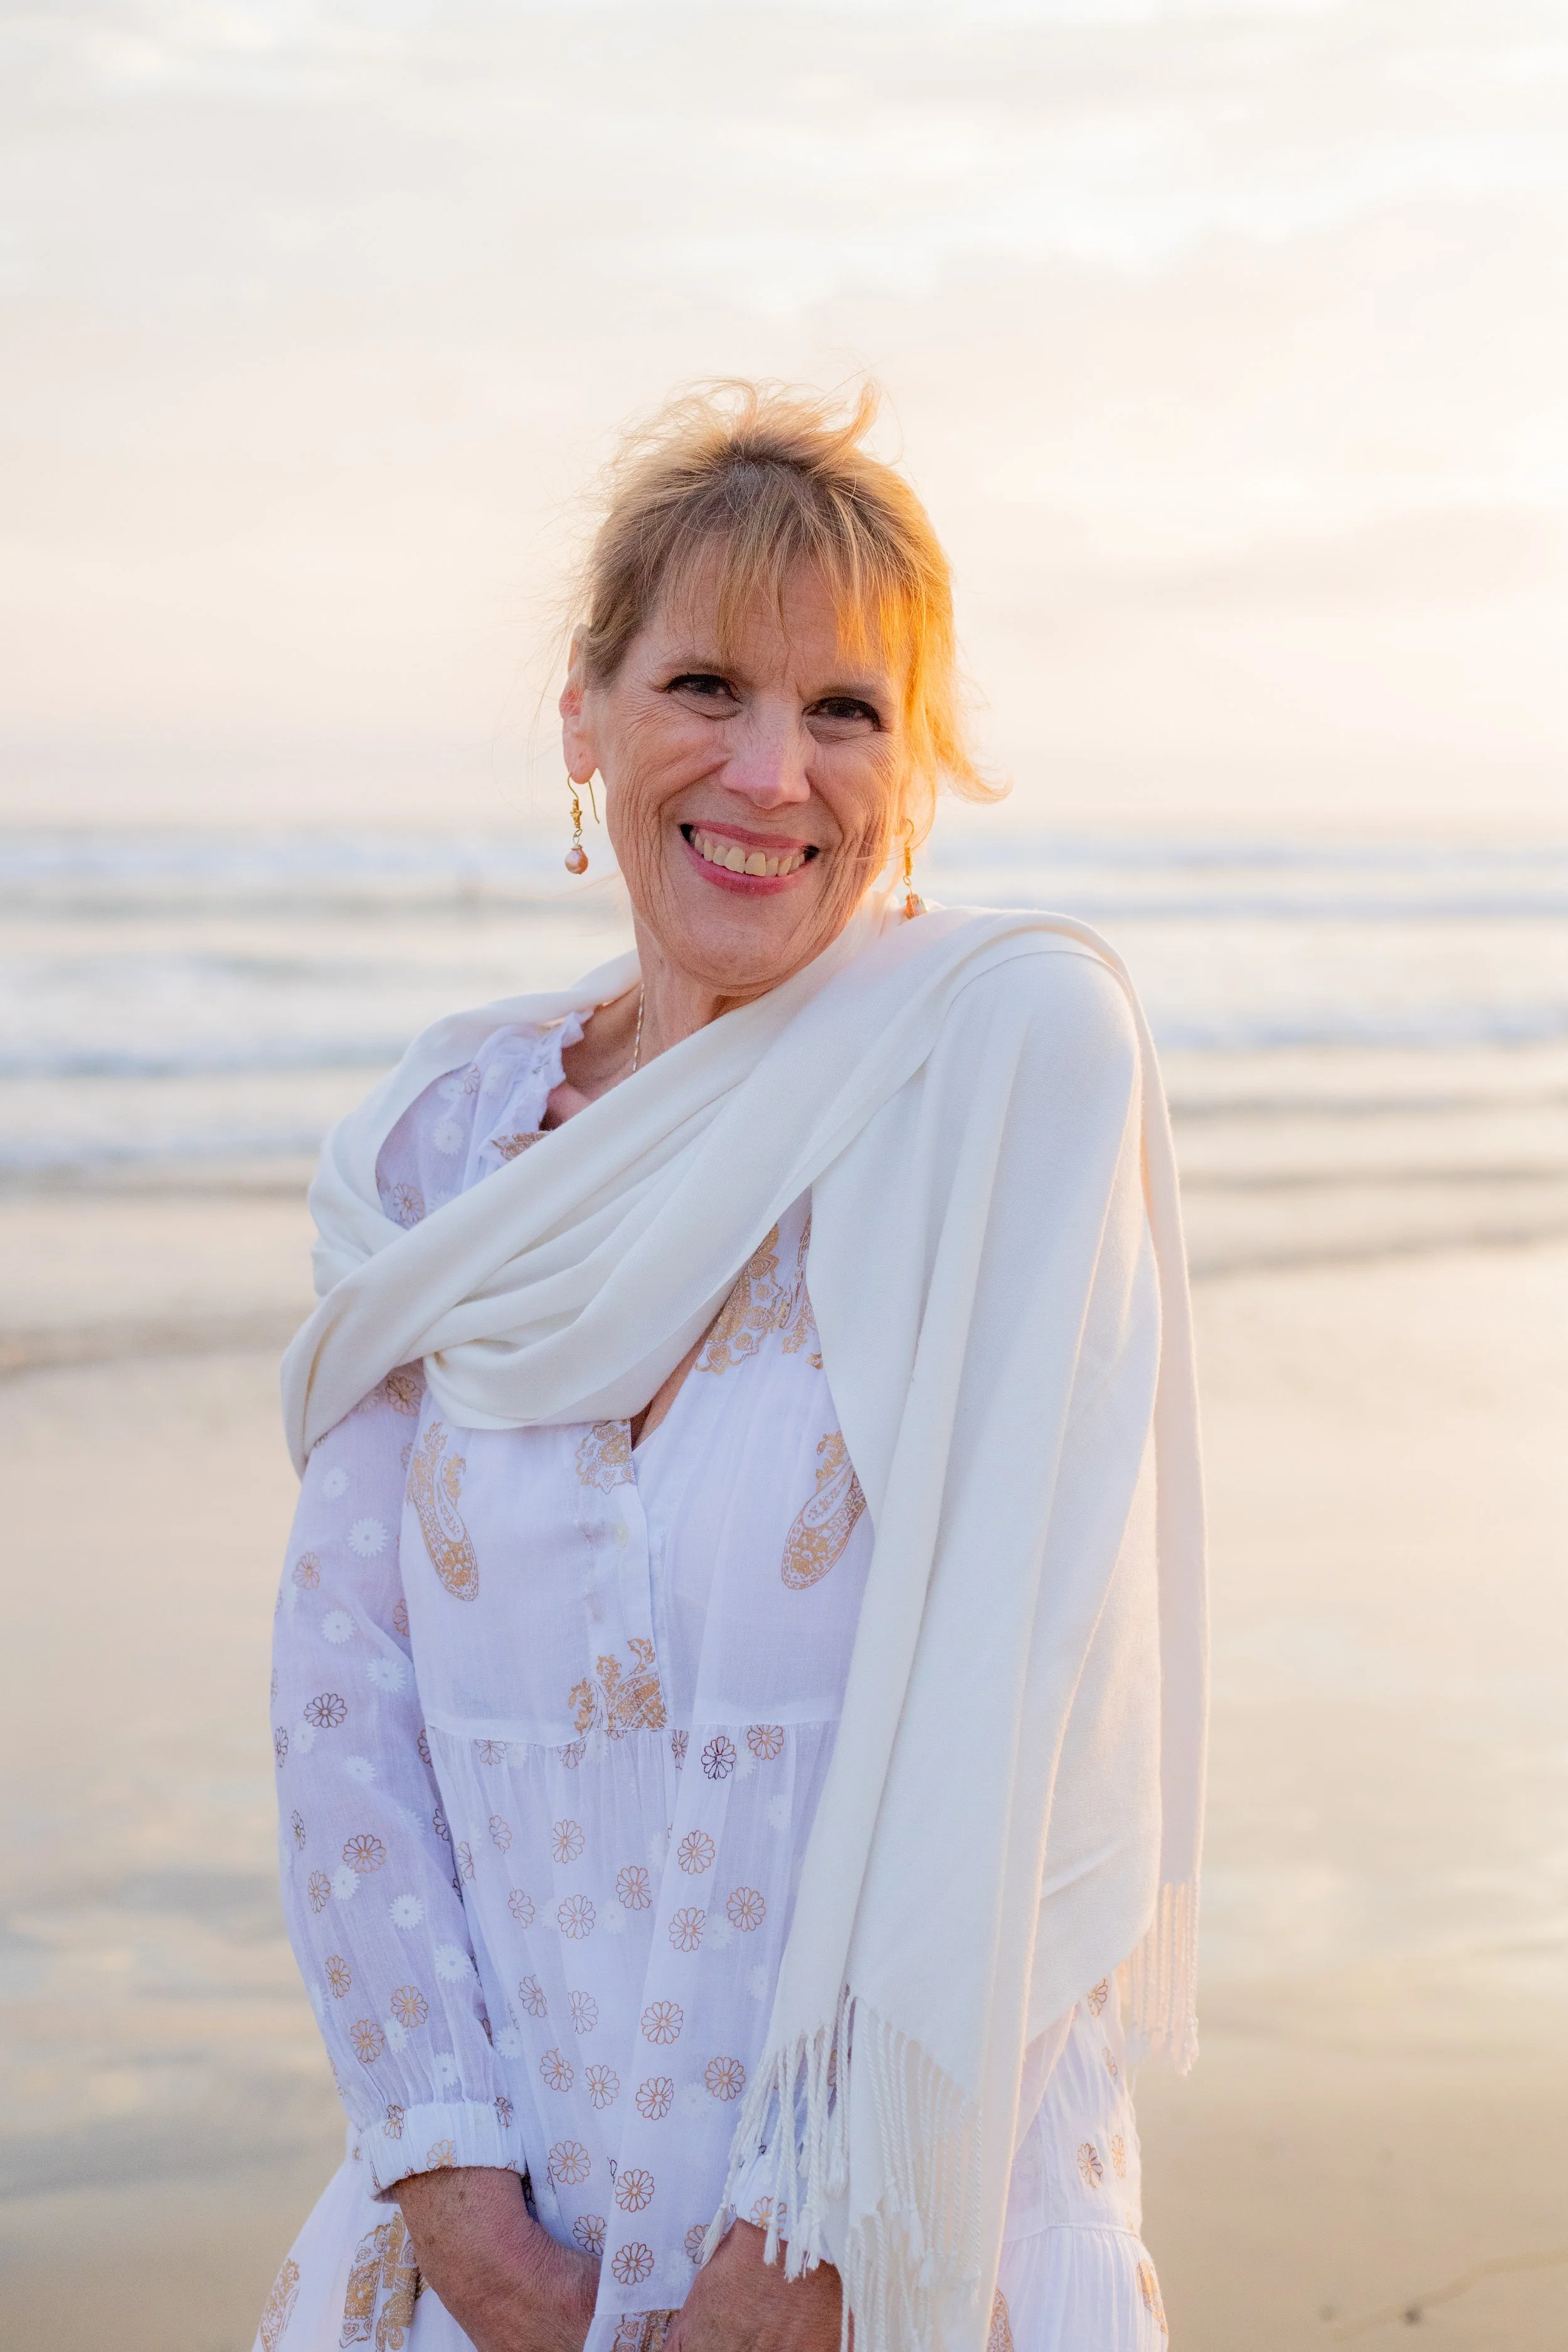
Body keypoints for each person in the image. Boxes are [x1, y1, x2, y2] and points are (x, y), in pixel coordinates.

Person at [256, 381, 1205, 2352]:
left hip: (893, 2234)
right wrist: (465, 2227)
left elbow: (1027, 1730)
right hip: (473, 2248)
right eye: (705, 684)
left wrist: (806, 2252)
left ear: (916, 764)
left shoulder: (1001, 1075)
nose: (770, 772)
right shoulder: (434, 1147)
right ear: (585, 715)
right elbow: (342, 1710)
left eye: (846, 709)